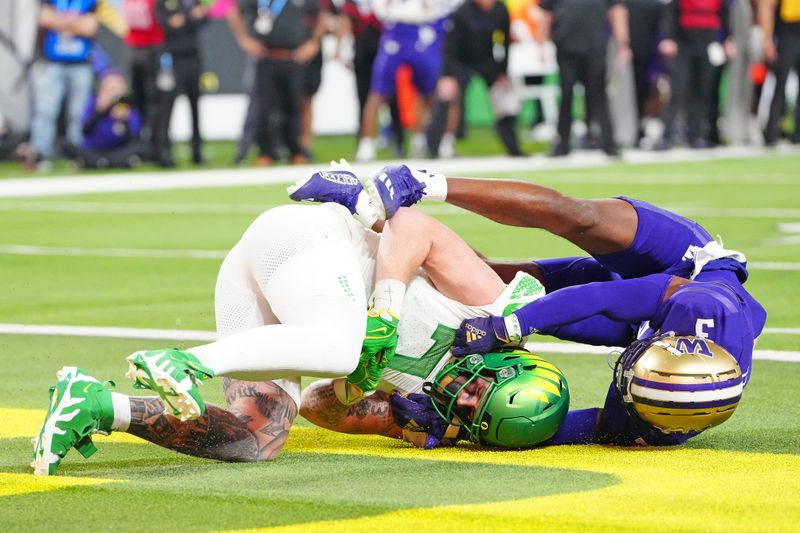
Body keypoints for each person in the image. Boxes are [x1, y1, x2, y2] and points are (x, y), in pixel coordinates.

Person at [31, 189, 564, 475]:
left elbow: (317, 405)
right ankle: (190, 361)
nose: (461, 400)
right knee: (343, 341)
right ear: (506, 363)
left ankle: (98, 405)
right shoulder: (493, 308)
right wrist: (387, 307)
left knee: (254, 440)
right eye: (477, 392)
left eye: (471, 418)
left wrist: (378, 405)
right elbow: (415, 227)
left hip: (267, 285)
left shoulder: (431, 414)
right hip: (311, 241)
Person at [293, 162, 767, 445]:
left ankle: (356, 208)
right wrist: (510, 329)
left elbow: (584, 427)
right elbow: (604, 293)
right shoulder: (706, 307)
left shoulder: (668, 419)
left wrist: (460, 425)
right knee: (577, 218)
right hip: (684, 267)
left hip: (641, 326)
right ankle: (419, 182)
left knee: (497, 289)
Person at [354, 0, 457, 161]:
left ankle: (422, 140)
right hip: (395, 32)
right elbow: (380, 9)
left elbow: (438, 9)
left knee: (431, 91)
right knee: (378, 92)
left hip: (424, 32)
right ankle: (366, 145)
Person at [426, 0, 524, 159]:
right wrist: (448, 75)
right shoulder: (462, 12)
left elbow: (504, 41)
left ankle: (513, 147)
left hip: (488, 60)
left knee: (506, 96)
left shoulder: (500, 10)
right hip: (461, 61)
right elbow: (450, 46)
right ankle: (438, 146)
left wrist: (503, 70)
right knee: (449, 95)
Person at [535, 0, 630, 156]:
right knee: (566, 95)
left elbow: (618, 12)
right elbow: (546, 15)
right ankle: (562, 142)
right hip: (567, 47)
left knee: (599, 95)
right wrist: (541, 45)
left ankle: (608, 142)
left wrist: (623, 42)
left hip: (595, 47)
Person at [236, 0, 326, 165]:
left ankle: (296, 150)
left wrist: (314, 42)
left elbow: (321, 13)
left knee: (294, 105)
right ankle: (266, 151)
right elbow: (235, 11)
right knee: (264, 107)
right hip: (265, 56)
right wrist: (244, 39)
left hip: (293, 57)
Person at [655, 0, 736, 149]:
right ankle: (666, 135)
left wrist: (728, 39)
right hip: (683, 44)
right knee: (678, 90)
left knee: (701, 92)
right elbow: (671, 12)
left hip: (707, 44)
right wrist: (668, 38)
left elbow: (725, 13)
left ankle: (695, 135)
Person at [28, 0, 99, 170]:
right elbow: (44, 19)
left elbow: (89, 27)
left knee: (78, 114)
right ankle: (40, 154)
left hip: (80, 63)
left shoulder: (87, 2)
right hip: (53, 63)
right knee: (46, 111)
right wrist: (74, 23)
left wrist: (59, 22)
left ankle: (77, 155)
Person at [154, 0, 209, 165]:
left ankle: (197, 151)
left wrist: (185, 18)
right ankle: (163, 152)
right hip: (172, 59)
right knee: (167, 106)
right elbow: (167, 23)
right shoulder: (164, 2)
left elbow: (203, 19)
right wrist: (189, 15)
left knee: (195, 106)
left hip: (193, 58)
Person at [67, 68, 150, 169]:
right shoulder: (94, 102)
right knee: (68, 145)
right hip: (94, 149)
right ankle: (112, 163)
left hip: (117, 149)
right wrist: (99, 112)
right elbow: (85, 130)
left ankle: (97, 163)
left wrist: (125, 120)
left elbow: (134, 137)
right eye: (110, 88)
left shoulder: (126, 105)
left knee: (142, 147)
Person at [760, 0, 800, 145]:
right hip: (787, 32)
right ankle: (772, 134)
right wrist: (767, 39)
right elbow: (767, 5)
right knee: (780, 85)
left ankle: (798, 135)